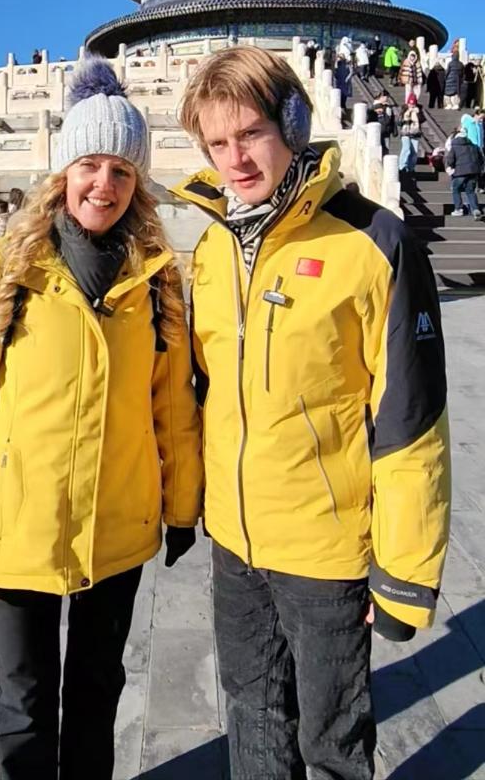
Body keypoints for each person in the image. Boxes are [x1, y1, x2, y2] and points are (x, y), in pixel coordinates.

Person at [0, 56, 203, 780]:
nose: (104, 184)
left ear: (138, 185)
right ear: (63, 172)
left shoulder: (156, 280)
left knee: (98, 692)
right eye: (90, 165)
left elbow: (172, 406)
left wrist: (180, 508)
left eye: (122, 171)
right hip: (19, 523)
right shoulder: (3, 269)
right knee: (25, 698)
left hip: (117, 523)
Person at [172, 46, 450, 780]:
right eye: (217, 143)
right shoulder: (212, 247)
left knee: (332, 744)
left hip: (326, 551)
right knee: (252, 718)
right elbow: (204, 395)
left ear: (293, 124)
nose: (235, 160)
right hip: (235, 543)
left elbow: (412, 420)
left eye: (250, 134)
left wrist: (404, 572)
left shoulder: (374, 242)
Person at [445, 117, 484, 219]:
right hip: (473, 172)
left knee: (456, 188)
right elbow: (481, 159)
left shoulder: (454, 146)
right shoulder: (474, 146)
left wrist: (451, 167)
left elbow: (450, 160)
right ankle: (475, 209)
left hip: (460, 172)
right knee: (470, 191)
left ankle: (458, 209)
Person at [398, 92, 425, 177]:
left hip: (415, 133)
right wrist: (406, 115)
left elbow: (422, 120)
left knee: (414, 152)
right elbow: (399, 122)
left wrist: (418, 113)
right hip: (405, 132)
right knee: (406, 149)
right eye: (410, 104)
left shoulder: (418, 110)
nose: (411, 106)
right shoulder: (404, 110)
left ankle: (411, 167)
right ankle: (402, 166)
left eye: (413, 104)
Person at [368, 92, 397, 156]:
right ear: (381, 97)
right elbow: (388, 120)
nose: (387, 98)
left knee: (381, 147)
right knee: (385, 148)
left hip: (381, 130)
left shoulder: (374, 107)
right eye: (386, 97)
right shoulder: (379, 107)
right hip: (383, 130)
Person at [334, 54, 353, 122]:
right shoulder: (337, 64)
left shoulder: (347, 64)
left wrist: (347, 78)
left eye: (340, 58)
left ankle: (344, 110)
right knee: (340, 96)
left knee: (344, 96)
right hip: (339, 82)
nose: (339, 59)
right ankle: (342, 110)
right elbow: (335, 71)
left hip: (345, 82)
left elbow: (351, 72)